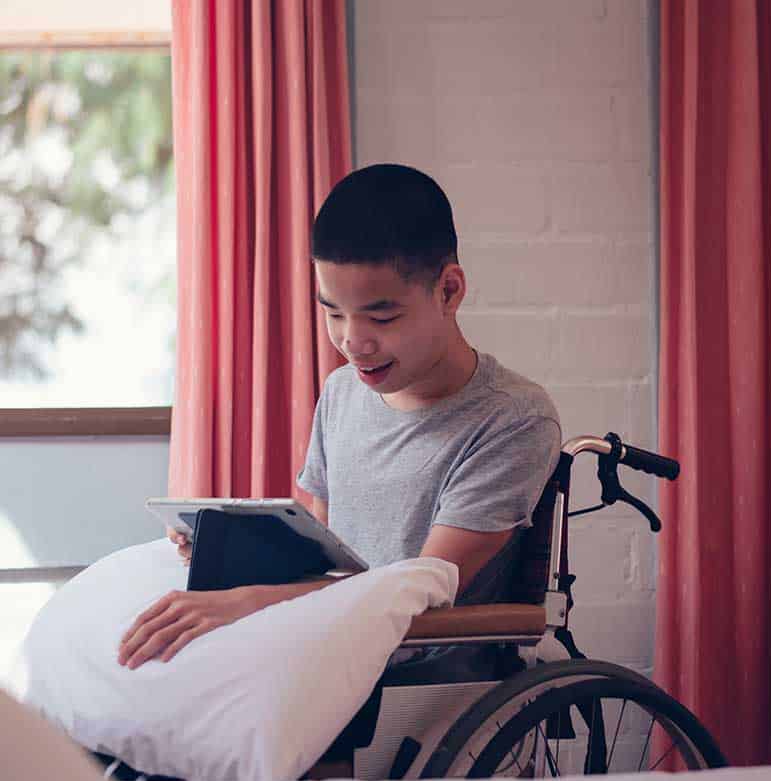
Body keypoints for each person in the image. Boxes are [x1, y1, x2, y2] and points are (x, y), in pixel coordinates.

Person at [117, 164, 561, 685]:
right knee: (143, 640)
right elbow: (329, 561)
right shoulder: (342, 393)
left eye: (382, 318)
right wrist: (239, 560)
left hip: (408, 673)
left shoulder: (513, 418)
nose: (353, 341)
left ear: (449, 290)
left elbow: (421, 588)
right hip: (320, 644)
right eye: (333, 314)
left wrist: (249, 603)